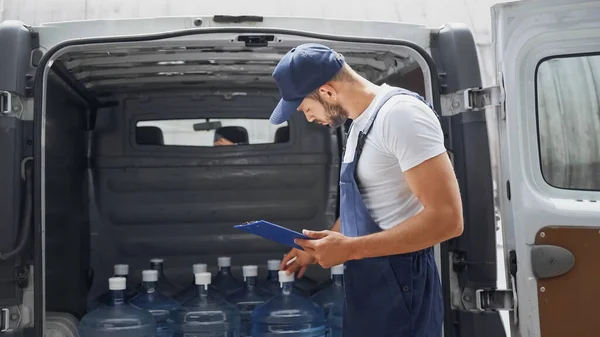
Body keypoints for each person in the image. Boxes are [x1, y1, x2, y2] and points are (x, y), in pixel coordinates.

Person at [270, 43, 464, 337]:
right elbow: (368, 203)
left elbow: (448, 219)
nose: (307, 117)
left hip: (402, 283)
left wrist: (349, 249)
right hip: (368, 279)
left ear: (327, 92)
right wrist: (319, 246)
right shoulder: (359, 125)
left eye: (305, 108)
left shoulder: (401, 116)